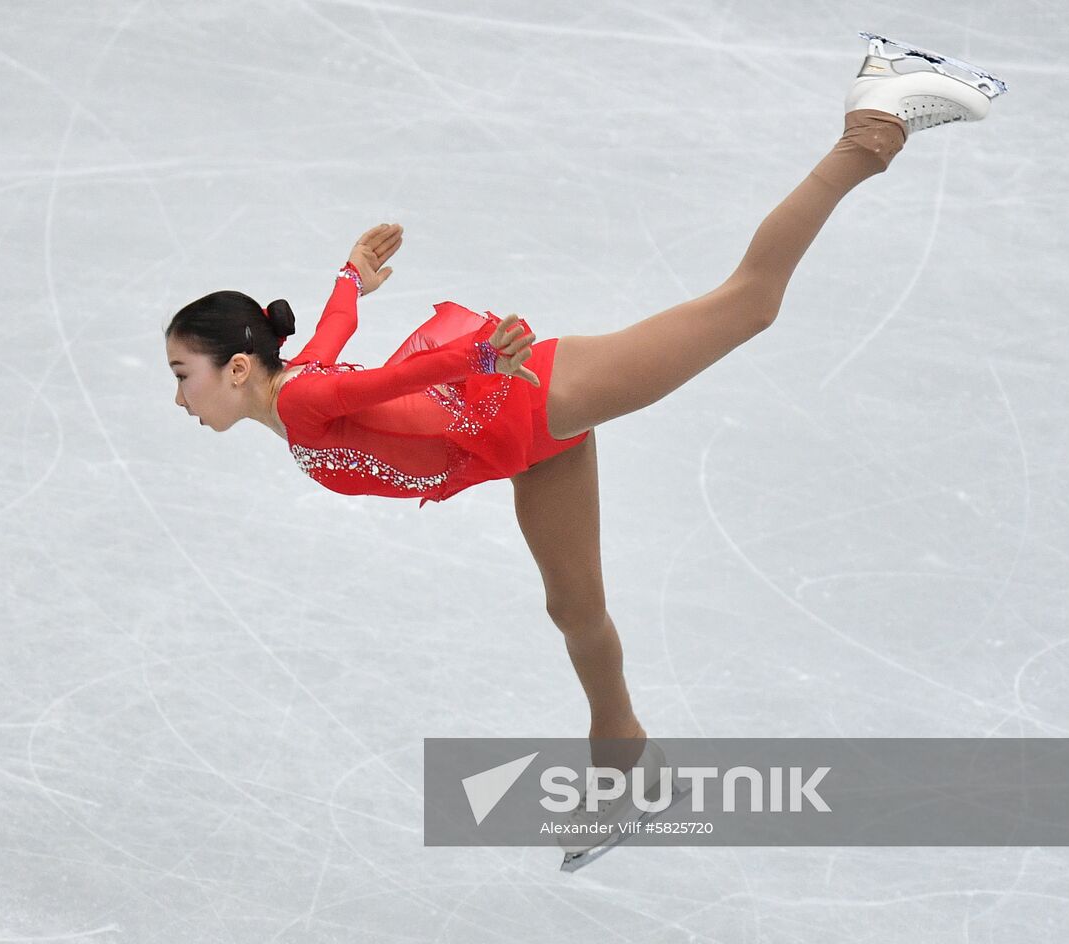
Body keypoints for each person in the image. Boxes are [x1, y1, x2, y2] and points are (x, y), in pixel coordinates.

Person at [163, 33, 1007, 867]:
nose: (178, 397)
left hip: (534, 396)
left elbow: (373, 389)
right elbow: (335, 338)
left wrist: (475, 357)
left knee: (749, 303)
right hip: (523, 446)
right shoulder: (293, 377)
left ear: (237, 369)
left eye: (182, 374)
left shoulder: (304, 399)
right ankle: (628, 766)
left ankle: (876, 123)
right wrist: (349, 277)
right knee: (574, 610)